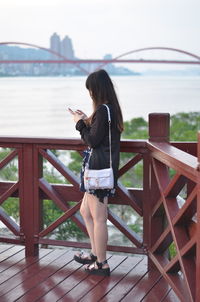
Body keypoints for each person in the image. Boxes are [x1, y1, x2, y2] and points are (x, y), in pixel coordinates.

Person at [68, 69, 123, 276]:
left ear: (96, 89)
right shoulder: (109, 110)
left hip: (99, 171)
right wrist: (85, 119)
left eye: (90, 89)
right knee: (85, 211)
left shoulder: (103, 110)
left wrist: (79, 124)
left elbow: (92, 140)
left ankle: (101, 263)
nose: (90, 93)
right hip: (98, 169)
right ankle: (94, 253)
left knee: (99, 217)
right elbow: (99, 133)